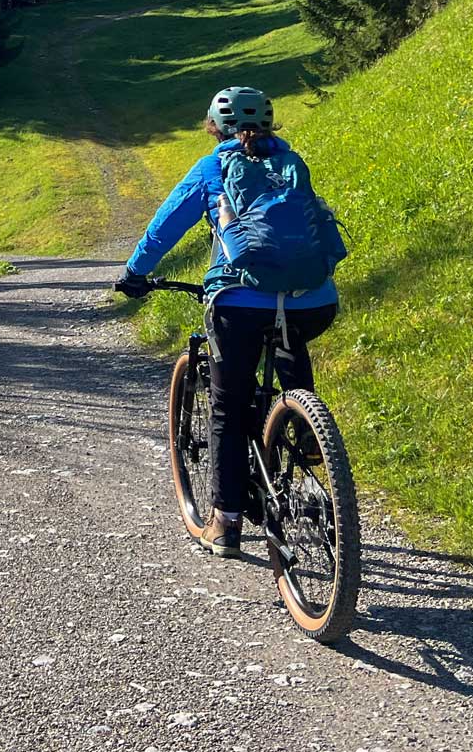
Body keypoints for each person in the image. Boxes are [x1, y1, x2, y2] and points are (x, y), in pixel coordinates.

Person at [113, 86, 339, 558]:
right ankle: (306, 432)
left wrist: (135, 274)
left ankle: (225, 521)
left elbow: (164, 227)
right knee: (287, 339)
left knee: (227, 408)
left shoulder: (214, 167)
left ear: (214, 128)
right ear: (271, 125)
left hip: (238, 301)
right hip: (313, 299)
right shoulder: (291, 164)